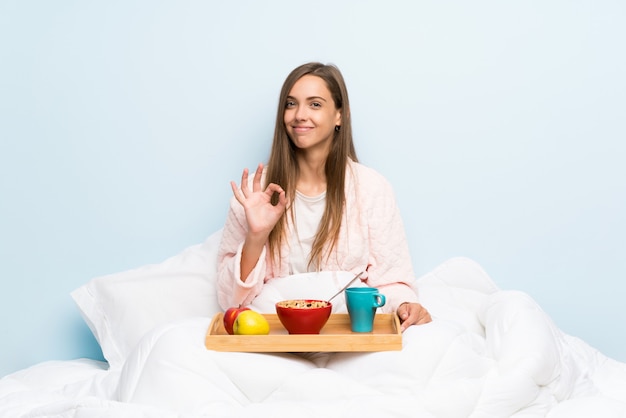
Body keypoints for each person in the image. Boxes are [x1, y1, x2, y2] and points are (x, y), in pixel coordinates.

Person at [216, 62, 431, 330]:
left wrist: (404, 305)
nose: (299, 115)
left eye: (315, 104)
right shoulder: (255, 193)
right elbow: (230, 301)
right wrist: (257, 236)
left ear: (340, 115)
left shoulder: (372, 187)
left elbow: (391, 282)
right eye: (291, 104)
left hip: (348, 327)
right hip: (275, 329)